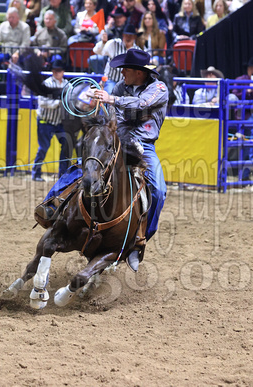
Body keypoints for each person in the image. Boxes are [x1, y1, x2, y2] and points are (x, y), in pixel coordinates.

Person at [36, 49, 169, 272]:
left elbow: (141, 104)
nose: (122, 73)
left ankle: (139, 240)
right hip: (117, 141)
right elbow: (111, 115)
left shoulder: (158, 88)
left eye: (125, 69)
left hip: (143, 146)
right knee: (84, 167)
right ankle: (51, 205)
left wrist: (111, 98)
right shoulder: (119, 87)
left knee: (159, 190)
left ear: (138, 72)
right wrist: (96, 104)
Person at [32, 60, 70, 182]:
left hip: (60, 122)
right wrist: (58, 102)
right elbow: (42, 102)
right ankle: (36, 172)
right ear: (52, 71)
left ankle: (63, 174)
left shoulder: (68, 85)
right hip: (45, 120)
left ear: (63, 72)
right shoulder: (46, 84)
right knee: (43, 147)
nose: (57, 73)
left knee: (66, 145)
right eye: (55, 70)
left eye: (59, 70)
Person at [93, 23, 142, 94]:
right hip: (112, 80)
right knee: (110, 95)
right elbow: (97, 51)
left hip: (129, 83)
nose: (128, 37)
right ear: (123, 35)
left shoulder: (138, 51)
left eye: (131, 36)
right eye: (126, 35)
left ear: (135, 37)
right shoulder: (114, 43)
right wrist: (103, 43)